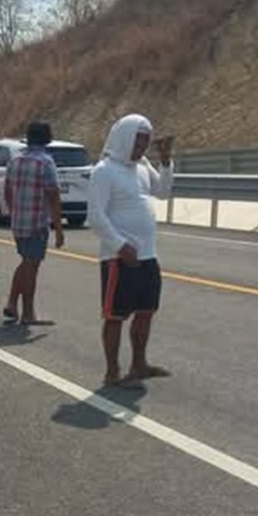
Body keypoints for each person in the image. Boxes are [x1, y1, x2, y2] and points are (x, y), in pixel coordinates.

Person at [86, 113, 174, 389]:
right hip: (118, 258)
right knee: (115, 316)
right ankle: (112, 372)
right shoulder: (104, 171)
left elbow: (163, 191)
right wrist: (120, 245)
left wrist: (166, 161)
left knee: (146, 311)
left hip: (148, 255)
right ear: (124, 138)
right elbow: (95, 217)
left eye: (145, 142)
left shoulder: (142, 167)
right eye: (138, 142)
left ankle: (139, 364)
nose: (141, 148)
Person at [2, 120, 65, 325]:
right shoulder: (45, 162)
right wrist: (59, 228)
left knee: (26, 262)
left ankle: (12, 304)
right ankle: (28, 313)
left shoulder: (15, 160)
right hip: (37, 222)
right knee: (31, 266)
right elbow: (54, 196)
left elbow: (7, 190)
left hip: (18, 221)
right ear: (47, 138)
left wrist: (13, 212)